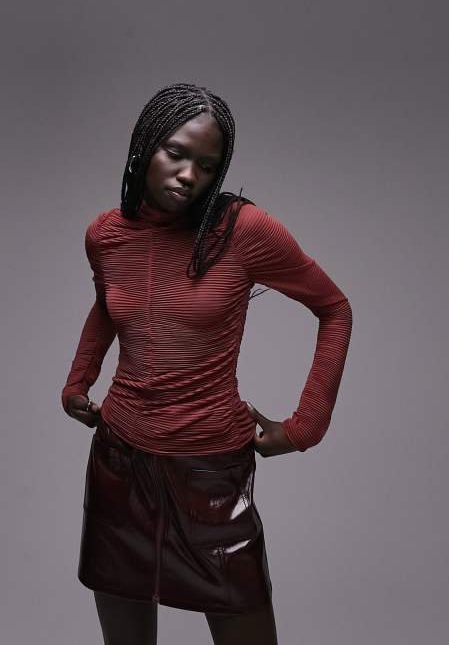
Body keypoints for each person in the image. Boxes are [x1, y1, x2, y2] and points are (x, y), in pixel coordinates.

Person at [60, 82, 353, 645]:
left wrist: (306, 427)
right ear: (144, 145)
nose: (188, 174)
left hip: (209, 470)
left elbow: (334, 308)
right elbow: (109, 304)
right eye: (175, 153)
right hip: (119, 459)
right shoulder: (105, 235)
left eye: (207, 165)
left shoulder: (241, 231)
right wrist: (79, 380)